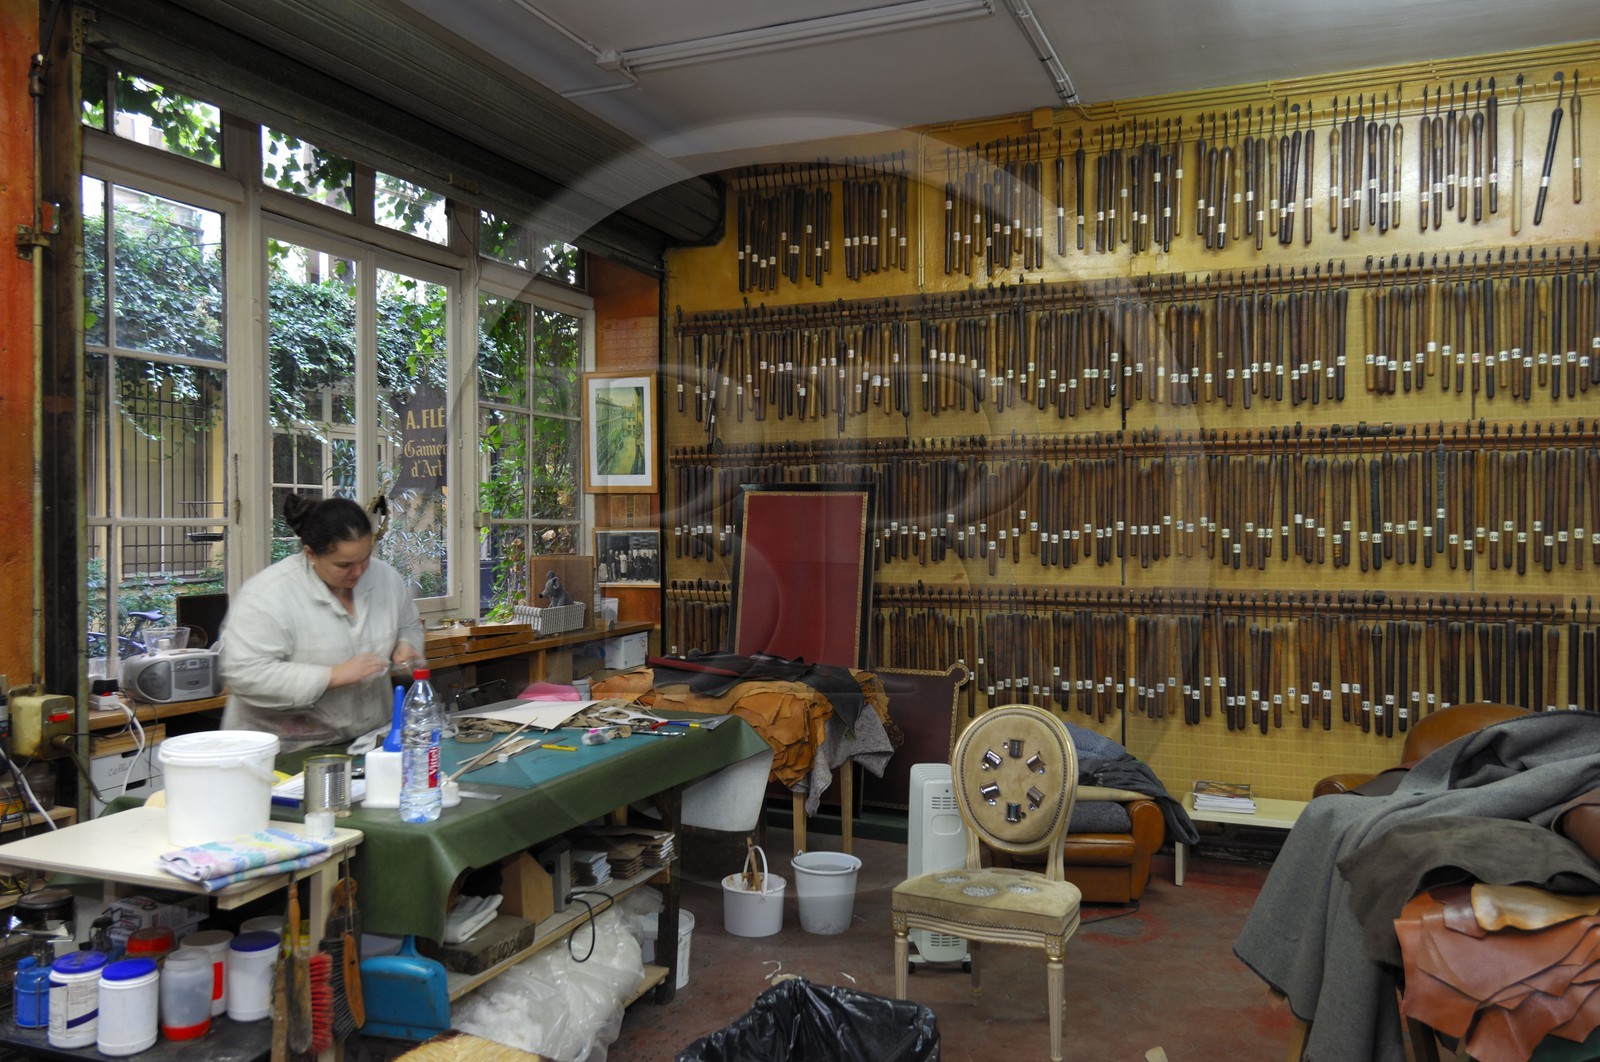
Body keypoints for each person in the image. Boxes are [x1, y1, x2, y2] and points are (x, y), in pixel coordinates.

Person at [220, 494, 425, 751]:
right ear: (310, 554)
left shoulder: (385, 578)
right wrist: (332, 676)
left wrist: (406, 645)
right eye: (344, 564)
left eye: (365, 558)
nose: (359, 572)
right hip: (285, 751)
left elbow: (408, 623)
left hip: (365, 740)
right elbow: (245, 674)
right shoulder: (268, 594)